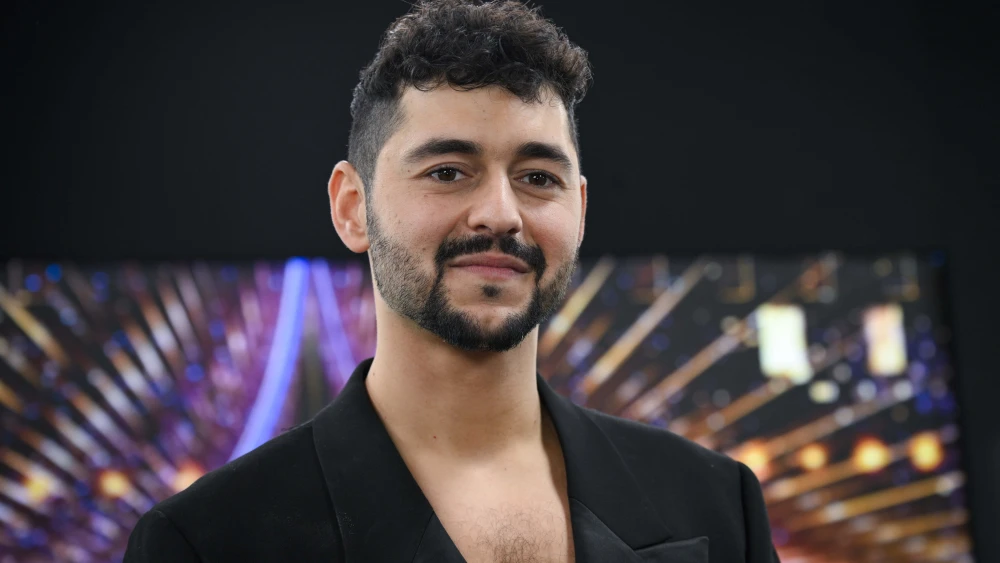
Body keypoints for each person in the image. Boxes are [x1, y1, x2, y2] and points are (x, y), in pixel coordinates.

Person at [125, 1, 780, 561]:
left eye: (538, 178)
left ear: (580, 210)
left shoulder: (717, 505)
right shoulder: (204, 542)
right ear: (352, 207)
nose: (500, 212)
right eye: (447, 171)